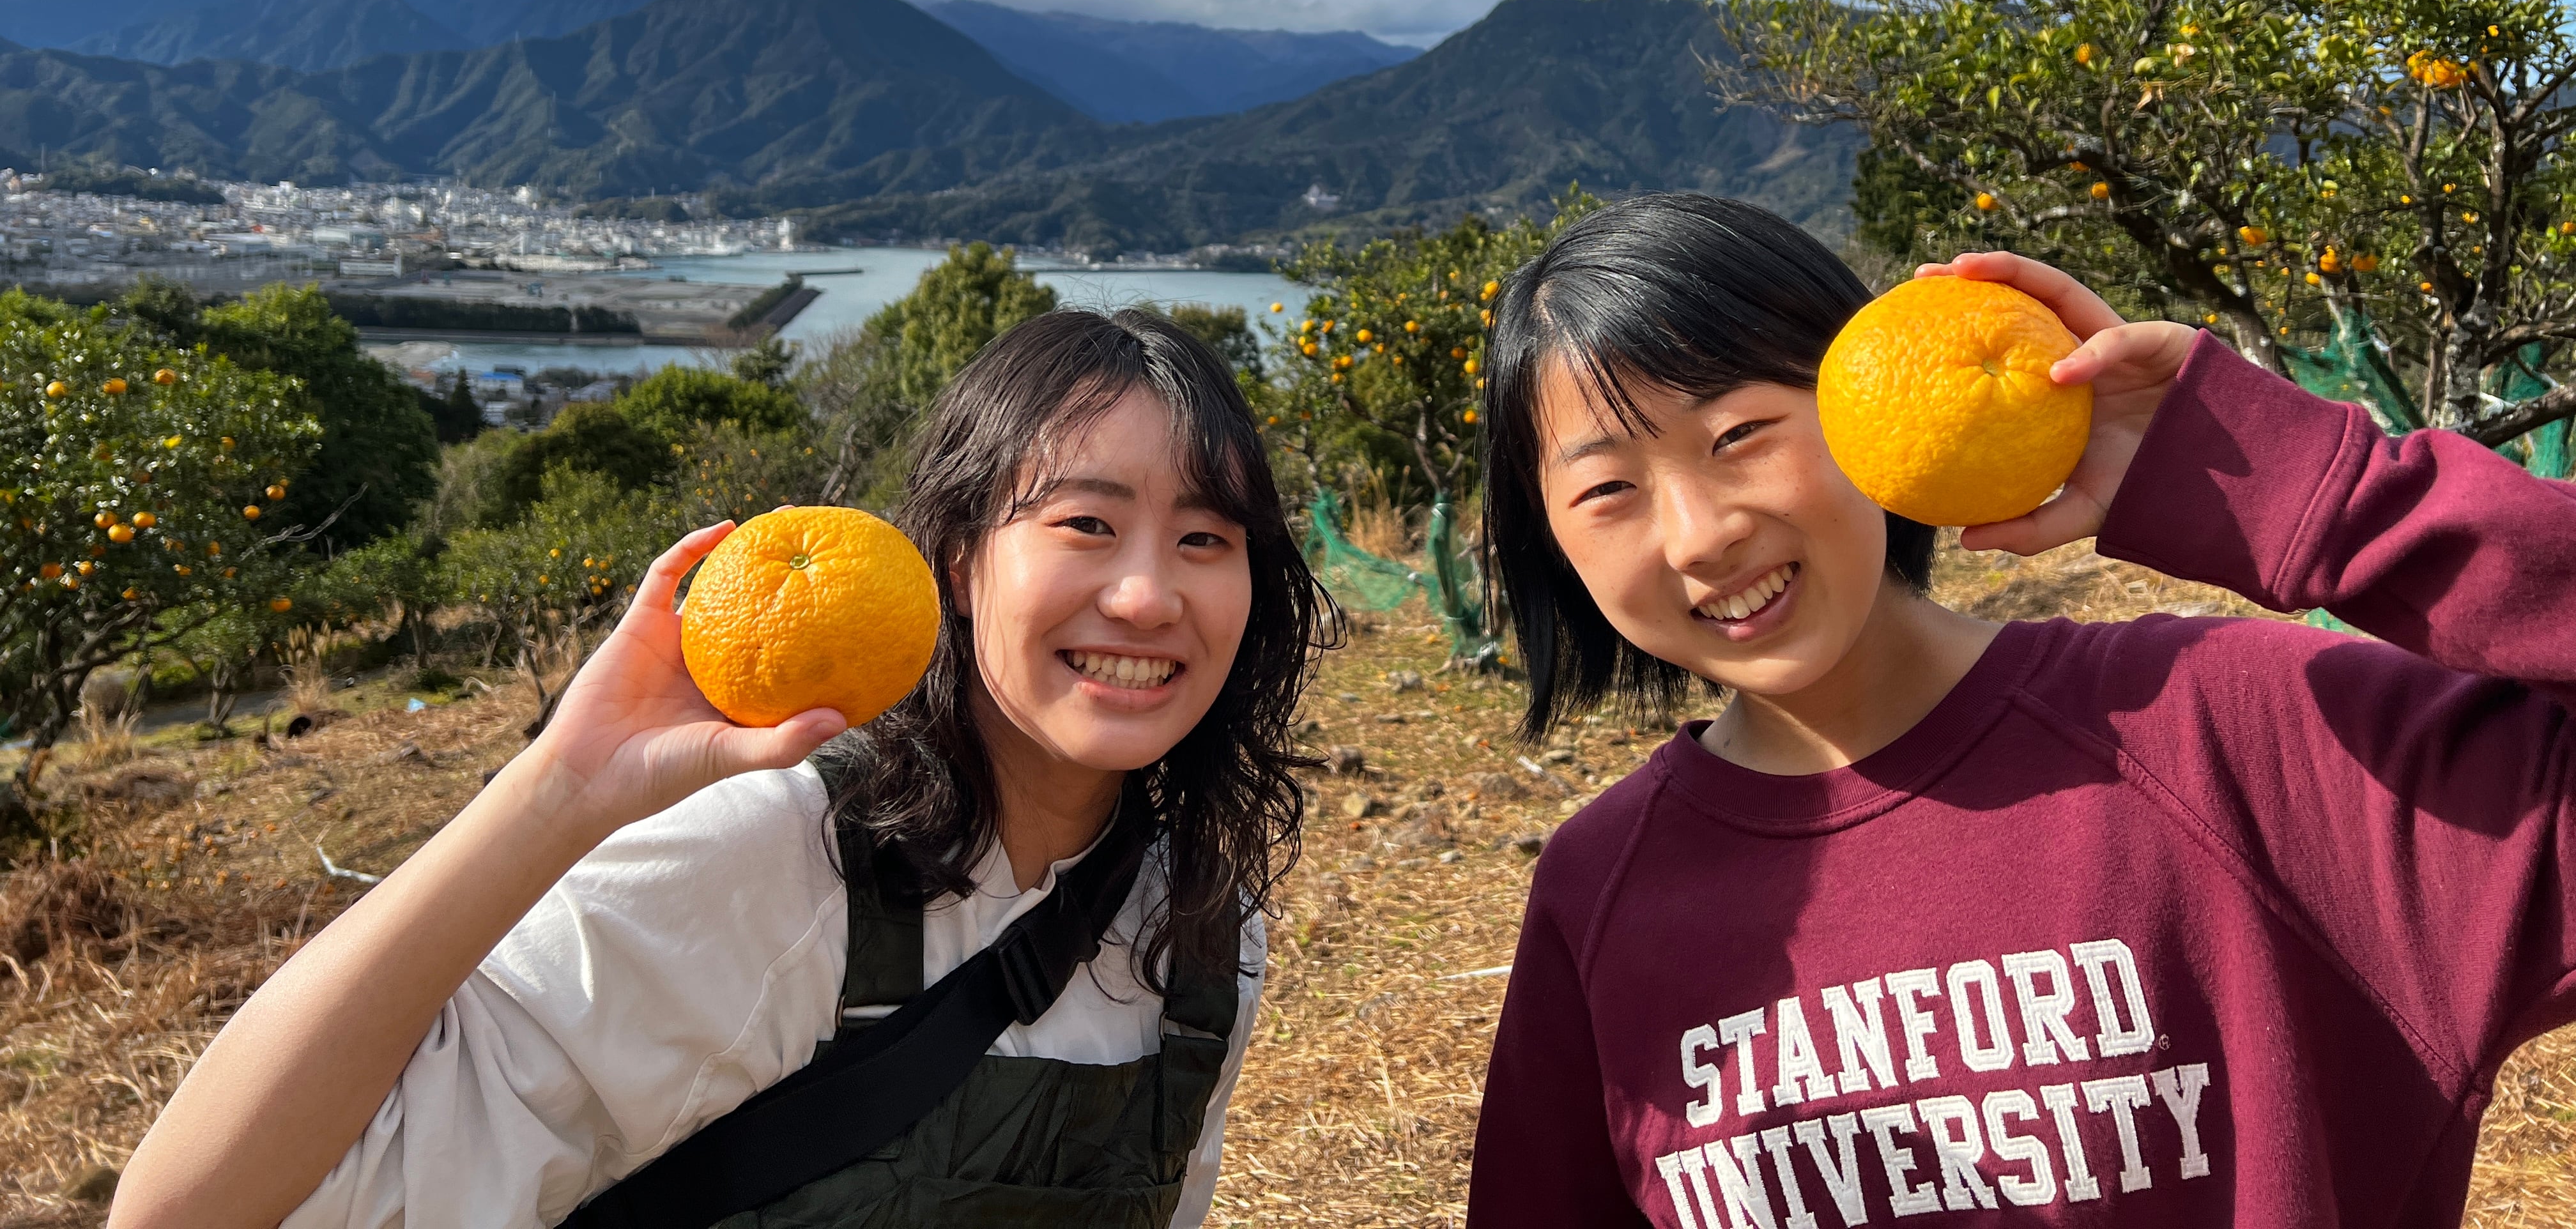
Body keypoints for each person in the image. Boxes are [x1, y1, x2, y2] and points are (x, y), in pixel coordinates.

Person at [1462, 192, 2575, 1228]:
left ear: (1861, 398)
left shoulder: (2226, 738)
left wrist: (2292, 489)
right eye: (1608, 489)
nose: (1701, 533)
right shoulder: (1599, 890)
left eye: (1738, 434)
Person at [115, 307, 1335, 1229]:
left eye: (1203, 539)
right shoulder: (771, 864)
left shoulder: (1201, 924)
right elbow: (194, 1212)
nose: (1145, 594)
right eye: (1086, 523)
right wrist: (558, 790)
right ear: (958, 561)